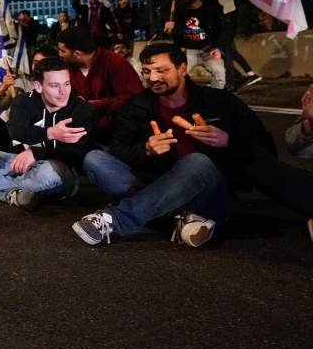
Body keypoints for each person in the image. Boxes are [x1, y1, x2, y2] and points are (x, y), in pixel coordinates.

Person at [75, 43, 271, 247]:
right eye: (147, 72)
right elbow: (118, 149)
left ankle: (114, 219)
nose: (153, 78)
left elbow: (266, 145)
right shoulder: (137, 105)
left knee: (198, 162)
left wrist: (227, 140)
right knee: (95, 159)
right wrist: (146, 150)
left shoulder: (220, 101)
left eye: (162, 71)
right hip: (157, 182)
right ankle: (180, 219)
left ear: (182, 69)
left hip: (207, 191)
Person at [0, 57, 96, 211]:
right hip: (18, 164)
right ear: (38, 86)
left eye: (66, 84)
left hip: (57, 170)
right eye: (54, 85)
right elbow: (16, 131)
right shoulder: (24, 101)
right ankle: (15, 192)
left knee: (51, 174)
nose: (63, 92)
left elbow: (76, 155)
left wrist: (37, 153)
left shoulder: (81, 109)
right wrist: (50, 133)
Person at [55, 26, 143, 139]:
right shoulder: (67, 68)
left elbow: (133, 97)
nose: (60, 54)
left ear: (77, 53)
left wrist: (93, 105)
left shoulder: (114, 62)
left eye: (63, 51)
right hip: (82, 134)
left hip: (117, 135)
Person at [0, 50, 48, 150]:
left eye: (42, 63)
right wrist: (3, 87)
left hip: (33, 136)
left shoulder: (57, 86)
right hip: (9, 130)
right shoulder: (19, 82)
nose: (37, 66)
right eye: (35, 63)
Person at [165, 0, 226, 90]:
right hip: (187, 52)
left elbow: (222, 30)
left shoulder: (211, 9)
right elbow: (167, 33)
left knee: (219, 76)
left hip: (208, 51)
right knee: (180, 80)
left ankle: (217, 101)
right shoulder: (177, 11)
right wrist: (169, 28)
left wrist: (218, 48)